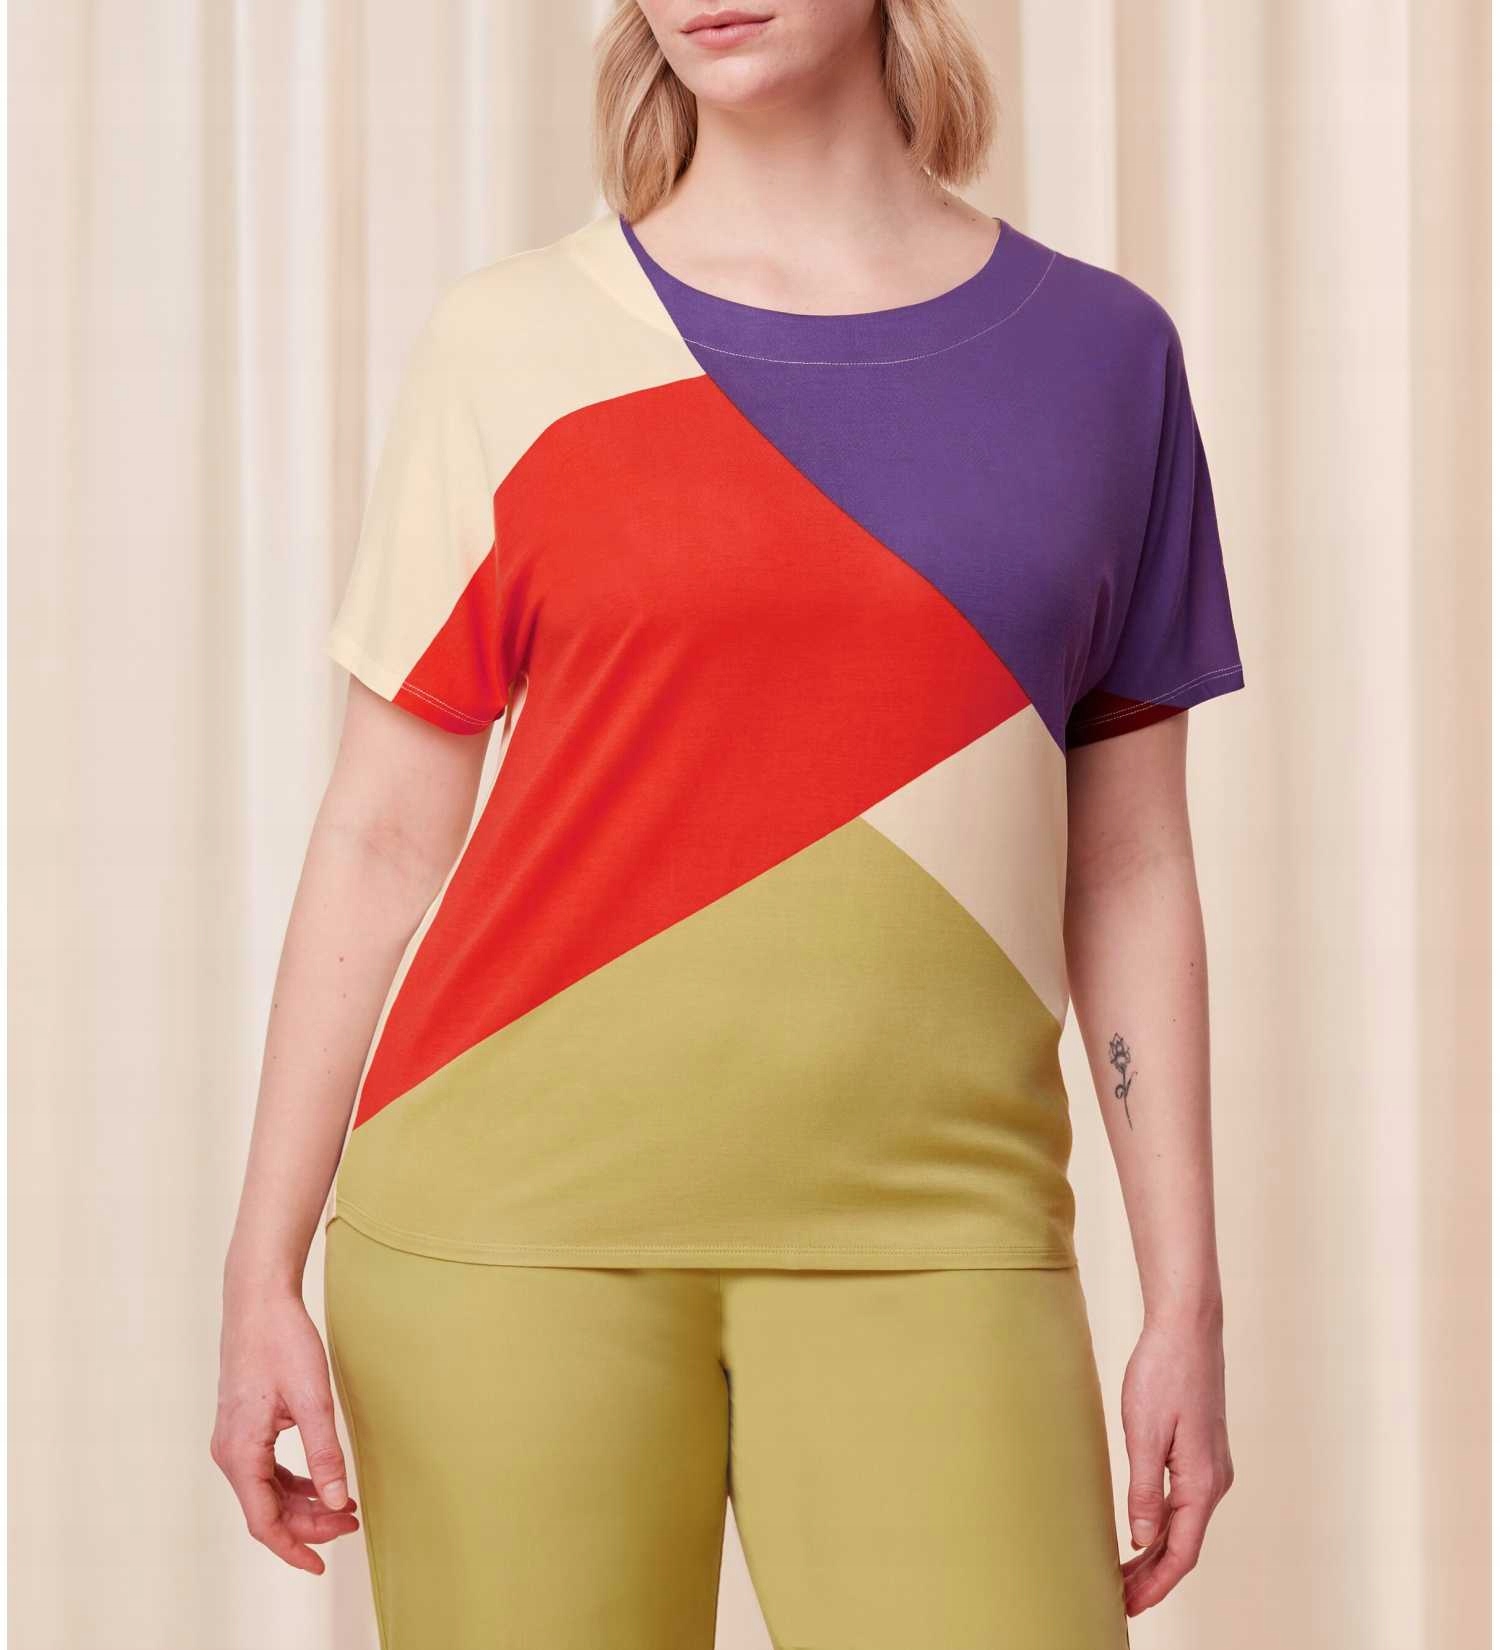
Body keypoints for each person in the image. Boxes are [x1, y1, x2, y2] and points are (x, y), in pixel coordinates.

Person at [211, 1, 1243, 1644]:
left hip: (942, 1226)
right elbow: (379, 835)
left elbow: (1130, 863)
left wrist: (1185, 1295)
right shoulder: (510, 344)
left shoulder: (1104, 362)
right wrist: (258, 1266)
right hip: (504, 1237)